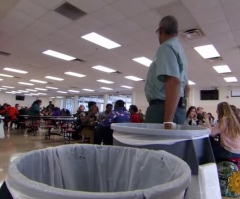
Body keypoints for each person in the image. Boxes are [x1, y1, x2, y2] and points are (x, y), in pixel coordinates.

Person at [144, 15, 189, 129]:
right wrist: (179, 108)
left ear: (161, 31)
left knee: (157, 146)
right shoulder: (179, 49)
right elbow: (186, 87)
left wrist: (168, 121)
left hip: (162, 110)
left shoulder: (166, 47)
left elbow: (174, 81)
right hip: (176, 109)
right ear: (176, 32)